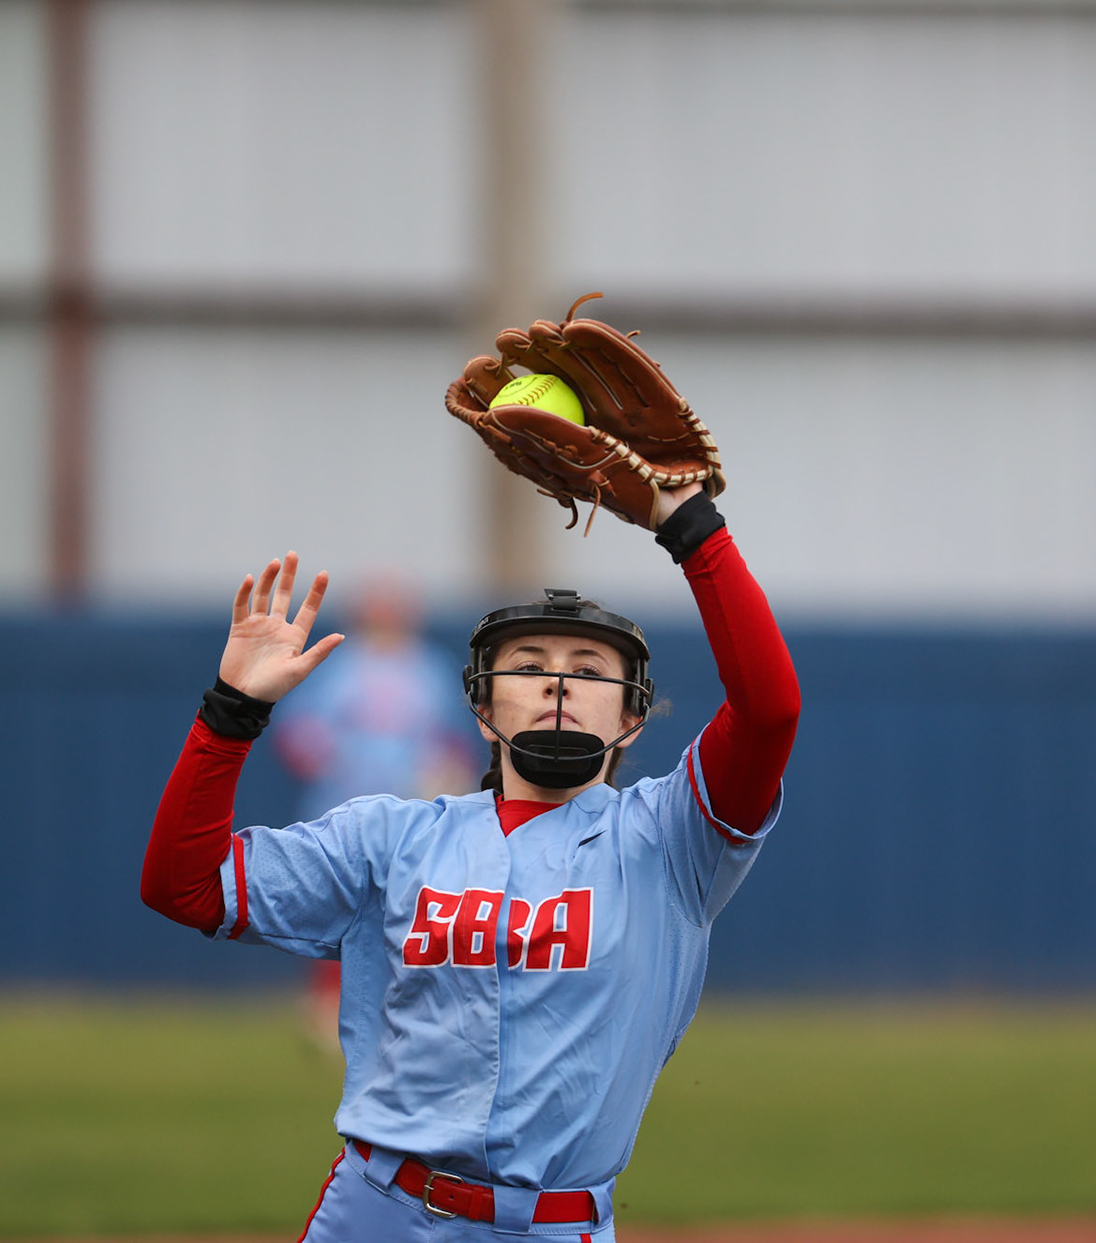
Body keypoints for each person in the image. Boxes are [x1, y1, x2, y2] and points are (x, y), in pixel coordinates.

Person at [139, 482, 799, 1241]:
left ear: (632, 716)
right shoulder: (391, 838)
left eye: (590, 670)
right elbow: (185, 888)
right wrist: (231, 712)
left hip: (552, 1224)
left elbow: (770, 711)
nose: (558, 681)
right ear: (483, 705)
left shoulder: (671, 840)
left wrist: (690, 528)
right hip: (376, 1211)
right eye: (528, 664)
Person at [268, 576, 479, 1044]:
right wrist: (333, 759)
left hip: (412, 815)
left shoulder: (428, 668)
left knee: (409, 912)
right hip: (342, 809)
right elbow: (297, 733)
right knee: (337, 908)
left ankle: (403, 1010)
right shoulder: (338, 667)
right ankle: (327, 1011)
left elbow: (453, 743)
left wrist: (447, 778)